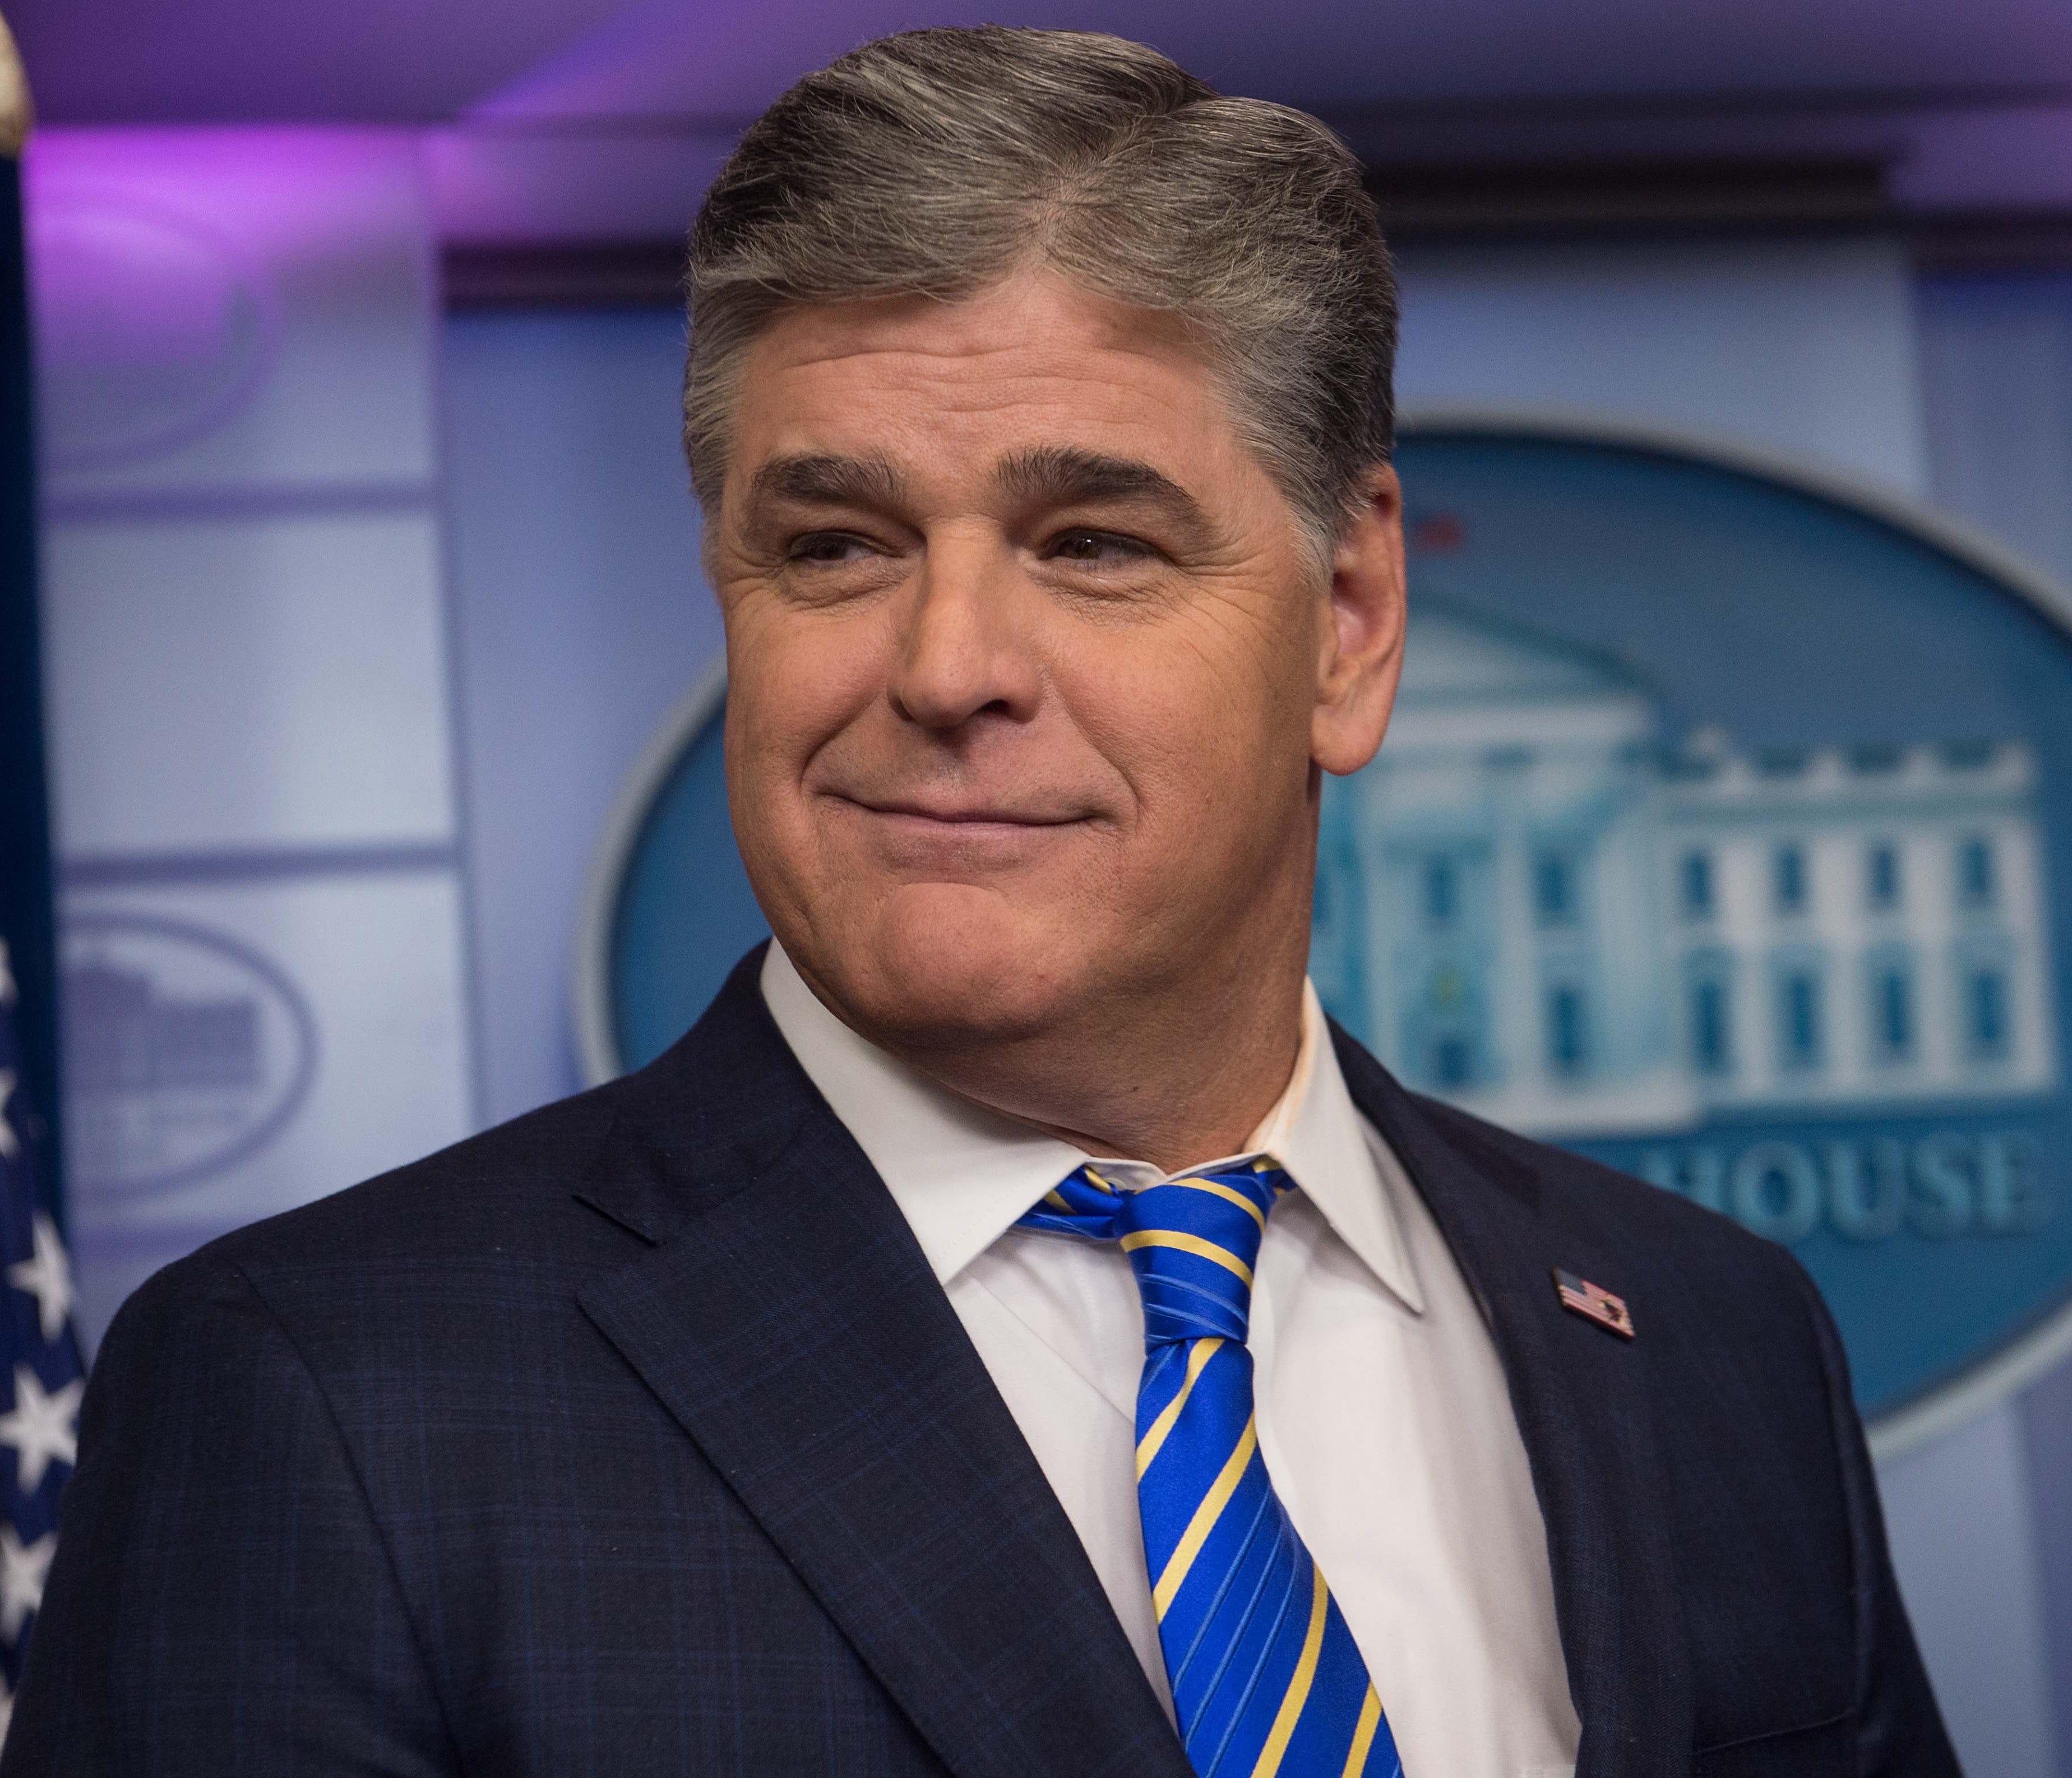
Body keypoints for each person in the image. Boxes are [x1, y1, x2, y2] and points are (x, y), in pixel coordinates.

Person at [5, 27, 1959, 1778]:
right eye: (837, 542)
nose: (946, 665)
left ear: (1348, 627)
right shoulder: (324, 1393)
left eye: (1092, 541)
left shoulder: (1708, 1335)